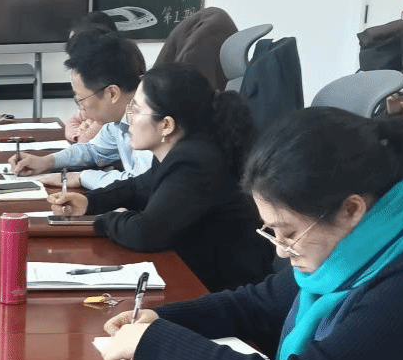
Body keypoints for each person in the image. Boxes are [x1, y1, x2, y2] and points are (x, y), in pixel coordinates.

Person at [100, 108, 403, 360]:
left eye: (289, 233)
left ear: (351, 210)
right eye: (272, 232)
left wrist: (153, 344)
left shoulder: (399, 281)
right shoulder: (357, 246)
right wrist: (159, 319)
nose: (281, 251)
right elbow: (256, 303)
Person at [49, 62, 273, 291]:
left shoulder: (195, 163)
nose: (130, 119)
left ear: (166, 125)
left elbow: (146, 233)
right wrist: (89, 202)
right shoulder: (180, 151)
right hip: (195, 273)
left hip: (221, 289)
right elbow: (138, 187)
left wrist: (107, 220)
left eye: (136, 110)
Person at [11, 28, 153, 190]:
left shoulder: (151, 119)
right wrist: (46, 162)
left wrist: (81, 177)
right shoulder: (119, 117)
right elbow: (94, 151)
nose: (81, 108)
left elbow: (140, 183)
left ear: (112, 93)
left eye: (81, 100)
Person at [63, 12, 118, 144]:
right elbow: (73, 120)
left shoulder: (110, 88)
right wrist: (78, 133)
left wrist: (85, 134)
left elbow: (88, 139)